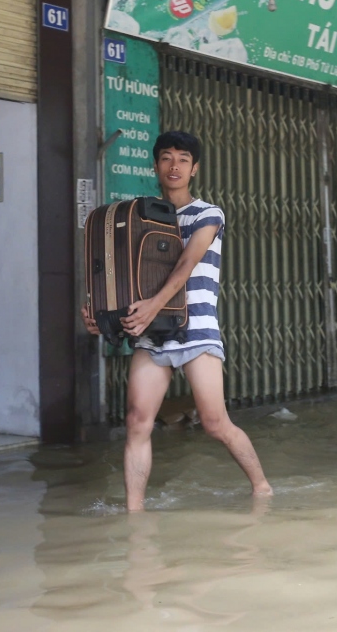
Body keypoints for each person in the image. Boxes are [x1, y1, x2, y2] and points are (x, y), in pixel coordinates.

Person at [82, 131, 271, 511]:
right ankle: (134, 513)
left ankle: (262, 488)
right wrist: (104, 317)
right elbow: (124, 275)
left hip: (197, 329)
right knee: (137, 421)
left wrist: (153, 304)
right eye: (166, 157)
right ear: (155, 165)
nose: (174, 165)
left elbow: (187, 263)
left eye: (183, 159)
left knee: (215, 423)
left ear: (194, 169)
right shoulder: (141, 217)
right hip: (153, 335)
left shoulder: (208, 213)